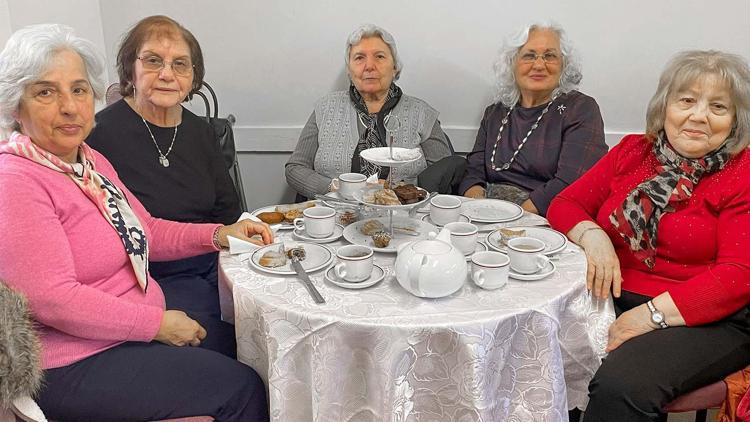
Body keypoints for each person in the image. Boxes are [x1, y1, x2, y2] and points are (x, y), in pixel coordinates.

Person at [0, 24, 270, 421]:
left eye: (78, 90)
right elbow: (53, 299)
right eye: (46, 92)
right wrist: (156, 325)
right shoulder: (16, 181)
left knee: (240, 345)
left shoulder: (88, 162)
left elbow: (147, 231)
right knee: (243, 389)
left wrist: (219, 234)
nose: (70, 106)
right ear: (15, 106)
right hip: (74, 361)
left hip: (122, 331)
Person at [547, 50, 750, 421]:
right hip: (616, 292)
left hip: (705, 316)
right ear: (665, 106)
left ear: (736, 120)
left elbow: (738, 275)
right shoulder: (633, 151)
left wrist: (649, 316)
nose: (698, 115)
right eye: (686, 100)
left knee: (621, 386)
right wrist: (595, 236)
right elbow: (564, 204)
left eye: (718, 107)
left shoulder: (743, 171)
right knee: (536, 346)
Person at [87, 15, 241, 319]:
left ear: (193, 78)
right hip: (146, 277)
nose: (167, 74)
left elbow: (228, 210)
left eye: (180, 64)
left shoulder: (201, 131)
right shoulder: (99, 133)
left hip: (212, 262)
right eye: (153, 61)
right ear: (130, 70)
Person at [285, 23, 458, 200]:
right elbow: (295, 169)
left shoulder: (422, 113)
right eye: (359, 58)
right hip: (334, 215)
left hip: (402, 219)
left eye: (380, 56)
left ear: (395, 67)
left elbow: (444, 174)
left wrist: (399, 191)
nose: (369, 66)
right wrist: (335, 187)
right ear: (349, 69)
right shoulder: (324, 109)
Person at [459, 22, 607, 216]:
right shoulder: (495, 112)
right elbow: (474, 172)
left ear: (564, 65)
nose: (539, 65)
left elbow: (571, 182)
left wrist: (513, 219)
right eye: (529, 56)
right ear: (512, 64)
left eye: (550, 56)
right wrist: (479, 209)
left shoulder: (580, 109)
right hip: (489, 210)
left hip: (545, 216)